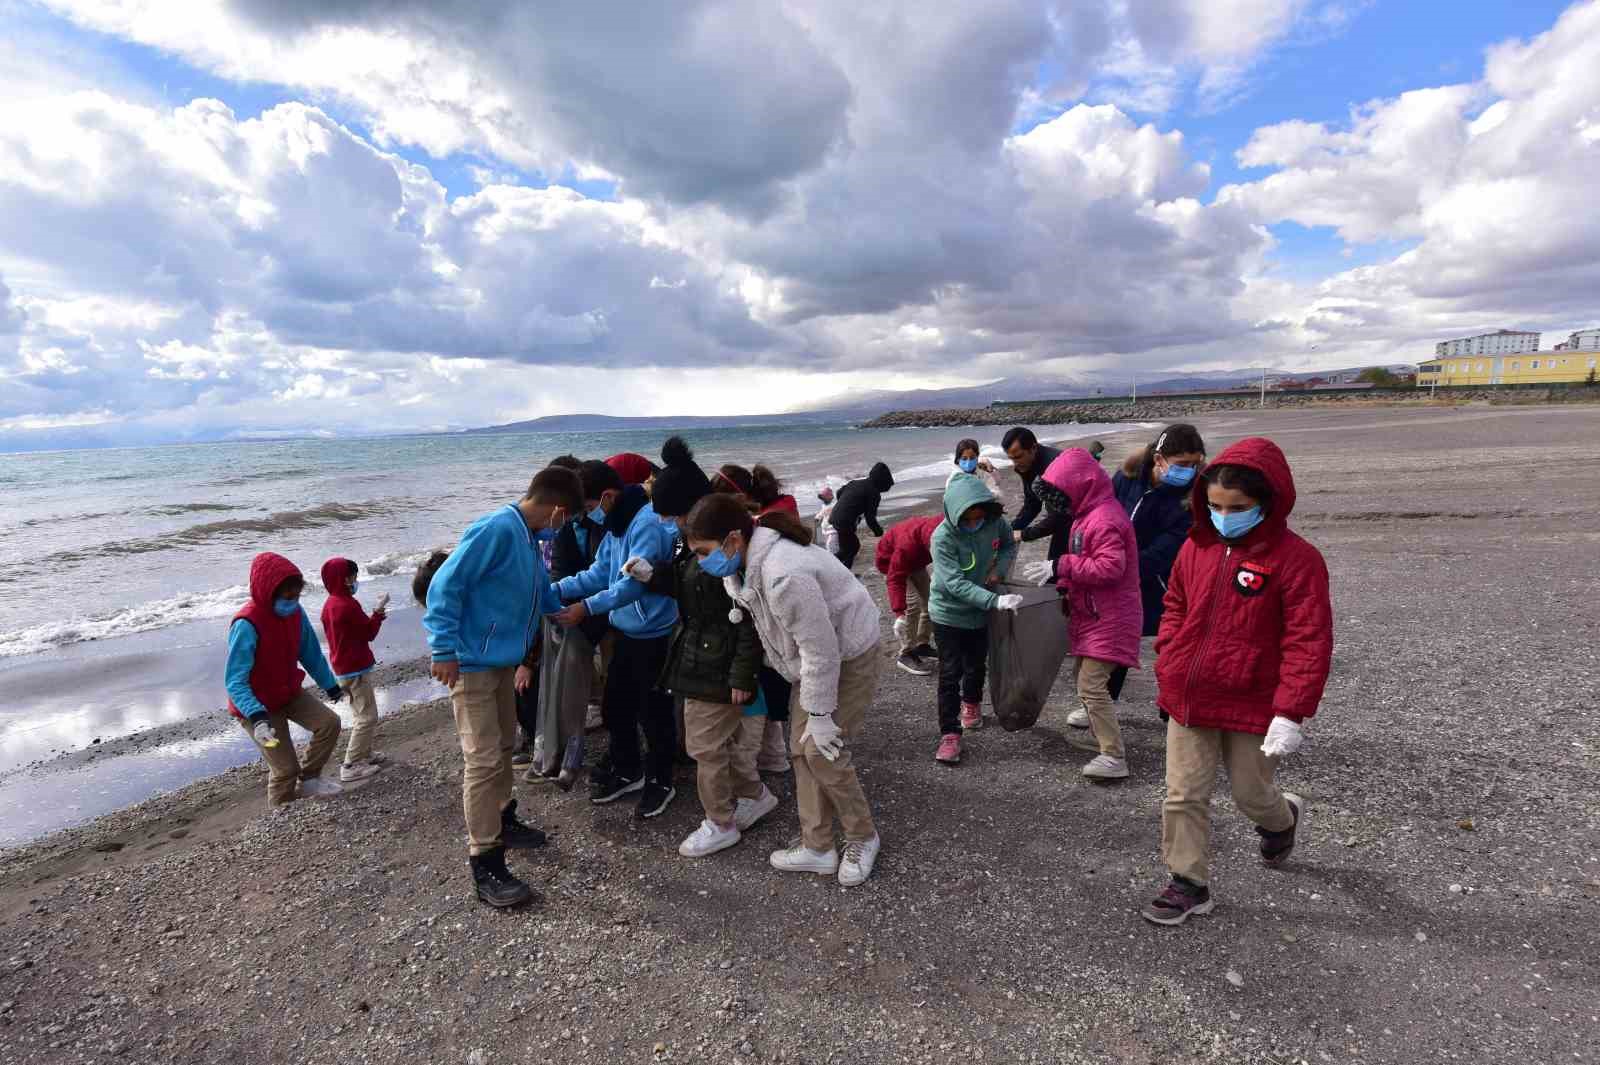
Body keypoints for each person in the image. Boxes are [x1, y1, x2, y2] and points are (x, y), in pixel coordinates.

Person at [1141, 438, 1332, 926]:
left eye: (1238, 508)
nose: (1225, 516)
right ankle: (1188, 883)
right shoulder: (1196, 546)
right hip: (1191, 694)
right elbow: (1176, 606)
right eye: (1215, 506)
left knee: (1251, 793)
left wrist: (1291, 711)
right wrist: (1171, 658)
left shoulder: (1297, 560)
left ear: (1267, 502)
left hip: (1254, 701)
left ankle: (1281, 820)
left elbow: (1308, 638)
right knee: (1182, 793)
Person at [685, 494, 884, 886]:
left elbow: (822, 650)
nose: (700, 561)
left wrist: (823, 715)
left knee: (822, 750)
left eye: (704, 552)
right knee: (799, 750)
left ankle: (863, 836)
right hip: (811, 662)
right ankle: (819, 846)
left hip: (849, 653)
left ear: (732, 540)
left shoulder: (783, 574)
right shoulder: (744, 565)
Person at [423, 466, 583, 908]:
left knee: (501, 749)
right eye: (566, 520)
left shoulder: (529, 537)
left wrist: (561, 610)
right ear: (558, 510)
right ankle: (485, 862)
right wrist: (442, 649)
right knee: (482, 761)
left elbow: (537, 590)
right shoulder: (496, 529)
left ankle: (504, 820)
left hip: (501, 661)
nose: (564, 528)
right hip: (472, 664)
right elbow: (444, 585)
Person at [555, 438, 692, 818]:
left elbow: (632, 584)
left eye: (587, 507)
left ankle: (661, 779)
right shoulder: (616, 524)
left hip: (654, 633)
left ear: (608, 496)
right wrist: (557, 590)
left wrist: (586, 608)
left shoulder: (644, 524)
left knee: (654, 712)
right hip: (627, 632)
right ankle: (629, 768)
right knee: (616, 706)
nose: (586, 516)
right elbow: (600, 572)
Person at [644, 489, 778, 858]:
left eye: (703, 551)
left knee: (704, 746)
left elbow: (751, 626)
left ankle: (720, 822)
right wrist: (651, 576)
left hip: (717, 667)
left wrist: (741, 676)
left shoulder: (742, 570)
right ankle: (753, 795)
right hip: (700, 659)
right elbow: (687, 587)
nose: (700, 559)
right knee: (719, 742)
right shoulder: (706, 552)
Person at [1022, 448, 1142, 780]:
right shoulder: (1086, 515)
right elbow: (1084, 561)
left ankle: (1113, 755)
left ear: (1078, 486)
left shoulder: (1103, 519)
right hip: (1094, 612)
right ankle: (1098, 726)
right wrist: (1062, 582)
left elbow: (1109, 568)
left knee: (1091, 685)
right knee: (1083, 679)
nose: (1058, 502)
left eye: (1061, 494)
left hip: (1111, 617)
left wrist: (1060, 564)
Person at [1088, 424, 1207, 716]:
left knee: (1172, 644)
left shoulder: (1192, 498)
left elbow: (1167, 549)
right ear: (1158, 459)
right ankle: (1103, 703)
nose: (1189, 471)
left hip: (1161, 580)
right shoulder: (1127, 478)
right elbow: (1103, 513)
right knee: (1116, 641)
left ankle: (1173, 706)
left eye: (1195, 464)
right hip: (1119, 573)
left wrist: (1118, 570)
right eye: (1182, 464)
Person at [531, 459, 624, 787]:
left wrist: (582, 606)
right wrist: (554, 596)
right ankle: (567, 751)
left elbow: (615, 578)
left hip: (614, 612)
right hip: (584, 609)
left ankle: (618, 753)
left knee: (618, 685)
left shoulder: (615, 523)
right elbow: (563, 570)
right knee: (570, 673)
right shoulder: (569, 527)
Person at [226, 552, 346, 806]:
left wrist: (330, 685)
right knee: (285, 769)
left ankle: (310, 781)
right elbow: (235, 681)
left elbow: (309, 651)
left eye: (296, 596)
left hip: (288, 692)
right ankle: (280, 814)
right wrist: (257, 718)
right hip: (256, 706)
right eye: (286, 597)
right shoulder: (246, 624)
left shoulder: (295, 612)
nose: (292, 602)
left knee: (329, 724)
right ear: (267, 592)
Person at [928, 472, 1020, 765]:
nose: (972, 523)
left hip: (980, 613)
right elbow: (953, 584)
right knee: (950, 673)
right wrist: (995, 600)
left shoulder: (994, 523)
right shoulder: (942, 537)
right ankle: (950, 734)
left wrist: (1000, 570)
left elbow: (1008, 545)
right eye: (966, 520)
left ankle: (972, 705)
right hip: (948, 615)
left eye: (977, 517)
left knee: (976, 664)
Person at [318, 557, 388, 784]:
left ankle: (364, 754)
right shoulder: (347, 605)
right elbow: (369, 633)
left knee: (360, 712)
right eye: (352, 576)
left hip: (342, 668)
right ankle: (351, 764)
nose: (355, 581)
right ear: (343, 578)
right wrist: (378, 611)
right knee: (367, 716)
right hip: (356, 668)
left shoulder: (329, 604)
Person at [873, 514, 941, 676]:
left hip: (916, 562)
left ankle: (922, 645)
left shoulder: (944, 529)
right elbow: (895, 578)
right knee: (912, 604)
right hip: (891, 562)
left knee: (932, 600)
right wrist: (898, 613)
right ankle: (906, 652)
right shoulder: (907, 546)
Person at [1002, 427, 1070, 561]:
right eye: (1011, 459)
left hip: (1082, 519)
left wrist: (1024, 534)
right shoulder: (1025, 465)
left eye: (1018, 457)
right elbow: (1032, 504)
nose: (1015, 464)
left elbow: (1061, 517)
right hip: (1063, 517)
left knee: (1059, 571)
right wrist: (1009, 531)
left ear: (1033, 448)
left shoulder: (1054, 467)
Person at [829, 462, 894, 569]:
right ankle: (834, 568)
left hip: (836, 516)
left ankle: (841, 569)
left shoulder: (855, 482)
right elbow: (870, 518)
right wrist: (879, 532)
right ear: (882, 482)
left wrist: (846, 506)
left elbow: (839, 492)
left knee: (847, 548)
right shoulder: (874, 493)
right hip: (845, 521)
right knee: (852, 547)